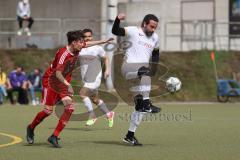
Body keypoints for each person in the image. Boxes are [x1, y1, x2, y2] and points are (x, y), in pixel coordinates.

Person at [26, 30, 113, 148]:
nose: (83, 45)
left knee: (70, 108)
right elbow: (57, 73)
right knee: (48, 111)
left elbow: (88, 44)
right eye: (81, 42)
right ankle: (31, 128)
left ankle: (54, 136)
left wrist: (104, 41)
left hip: (63, 82)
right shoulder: (63, 54)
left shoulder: (78, 47)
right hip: (51, 81)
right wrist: (68, 85)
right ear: (73, 43)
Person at [112, 13, 161, 146]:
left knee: (139, 107)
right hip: (128, 68)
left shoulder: (155, 37)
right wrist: (117, 20)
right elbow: (115, 31)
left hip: (140, 76)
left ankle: (130, 135)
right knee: (144, 72)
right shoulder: (133, 31)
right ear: (144, 24)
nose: (153, 29)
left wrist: (154, 70)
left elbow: (155, 54)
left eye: (155, 27)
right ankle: (147, 103)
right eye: (151, 26)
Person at [79, 29, 114, 127]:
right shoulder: (80, 48)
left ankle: (92, 116)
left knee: (82, 94)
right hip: (86, 77)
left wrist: (107, 70)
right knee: (95, 100)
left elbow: (106, 58)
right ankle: (109, 114)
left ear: (92, 37)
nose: (88, 38)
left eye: (89, 36)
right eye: (85, 37)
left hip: (95, 76)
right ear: (82, 38)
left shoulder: (97, 48)